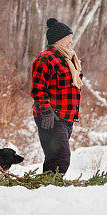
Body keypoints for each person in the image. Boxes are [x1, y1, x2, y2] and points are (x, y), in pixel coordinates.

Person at [31, 18, 83, 175]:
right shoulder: (45, 59)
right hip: (51, 117)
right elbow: (38, 89)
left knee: (53, 158)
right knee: (62, 158)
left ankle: (45, 190)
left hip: (67, 117)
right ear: (59, 39)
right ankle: (53, 189)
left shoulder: (68, 59)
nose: (71, 42)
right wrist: (46, 111)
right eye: (68, 38)